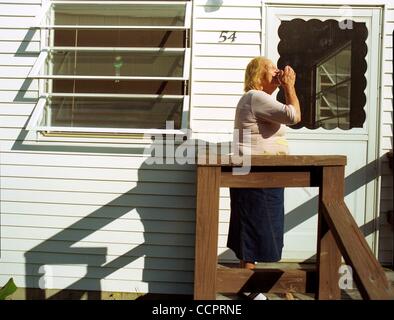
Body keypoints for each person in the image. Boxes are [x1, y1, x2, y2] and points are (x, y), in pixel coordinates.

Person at [227, 56, 301, 300]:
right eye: (272, 68)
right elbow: (293, 116)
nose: (278, 71)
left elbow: (287, 115)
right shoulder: (255, 97)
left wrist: (283, 87)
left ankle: (249, 287)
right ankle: (251, 289)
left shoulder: (261, 99)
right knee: (255, 229)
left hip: (257, 175)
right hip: (256, 175)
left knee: (254, 229)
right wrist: (289, 85)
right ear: (259, 76)